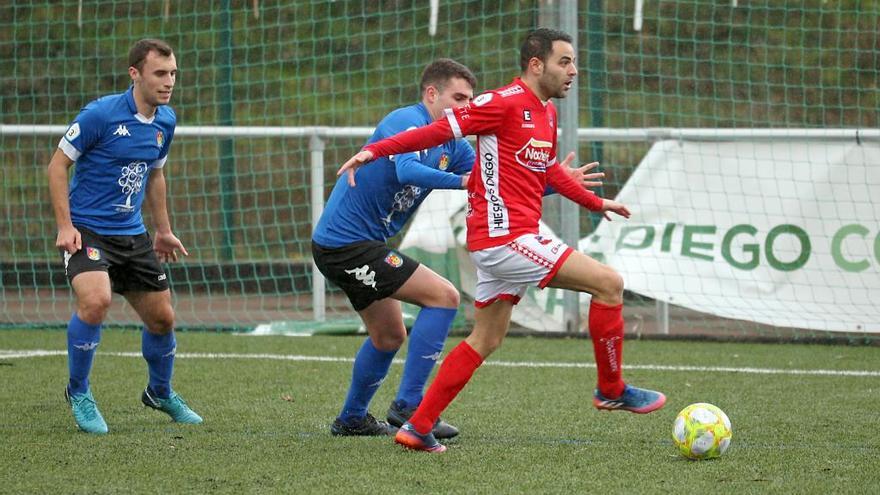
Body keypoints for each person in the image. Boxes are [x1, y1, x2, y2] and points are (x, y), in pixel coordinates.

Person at [337, 28, 666, 453]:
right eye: (564, 62)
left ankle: (418, 426)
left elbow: (547, 171)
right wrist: (375, 151)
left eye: (573, 62)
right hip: (505, 237)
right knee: (609, 283)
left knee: (486, 339)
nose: (574, 71)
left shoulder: (546, 113)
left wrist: (593, 201)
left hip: (507, 239)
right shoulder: (501, 102)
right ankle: (611, 388)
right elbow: (436, 132)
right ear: (536, 64)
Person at [313, 58, 603, 440]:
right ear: (431, 94)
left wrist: (558, 181)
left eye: (471, 99)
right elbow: (407, 171)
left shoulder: (453, 143)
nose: (467, 107)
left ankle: (351, 419)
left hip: (359, 246)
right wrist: (464, 180)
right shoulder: (407, 122)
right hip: (344, 245)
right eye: (458, 98)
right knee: (444, 297)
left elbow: (503, 177)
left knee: (389, 336)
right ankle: (410, 408)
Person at [47, 38, 202, 435]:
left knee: (163, 319)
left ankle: (160, 392)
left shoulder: (166, 121)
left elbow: (156, 174)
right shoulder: (101, 114)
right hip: (88, 229)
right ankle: (79, 392)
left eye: (173, 74)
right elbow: (57, 166)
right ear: (135, 74)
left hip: (132, 234)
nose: (168, 82)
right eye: (160, 74)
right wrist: (66, 226)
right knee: (96, 301)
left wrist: (163, 230)